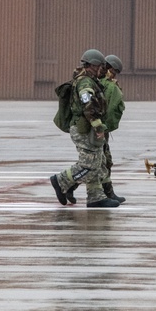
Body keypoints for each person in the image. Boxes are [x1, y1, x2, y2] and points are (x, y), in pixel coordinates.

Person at [49, 49, 119, 208]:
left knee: (96, 161)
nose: (102, 69)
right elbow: (88, 104)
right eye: (100, 65)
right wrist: (97, 125)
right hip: (83, 127)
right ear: (92, 65)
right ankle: (60, 181)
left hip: (88, 127)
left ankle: (95, 197)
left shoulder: (91, 80)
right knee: (88, 165)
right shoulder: (85, 82)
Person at [99, 54, 126, 203]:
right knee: (96, 163)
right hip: (98, 129)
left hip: (102, 129)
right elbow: (109, 110)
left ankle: (108, 193)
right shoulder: (106, 85)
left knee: (105, 161)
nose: (114, 74)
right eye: (113, 71)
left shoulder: (103, 83)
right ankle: (65, 184)